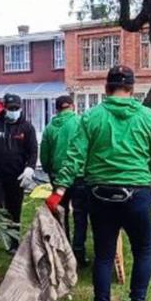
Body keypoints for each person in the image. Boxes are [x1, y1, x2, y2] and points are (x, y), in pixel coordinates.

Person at [45, 66, 151, 301]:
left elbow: (74, 156)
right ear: (133, 88)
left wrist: (59, 190)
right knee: (143, 251)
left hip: (99, 196)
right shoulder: (148, 117)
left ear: (106, 88)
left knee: (103, 256)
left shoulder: (90, 117)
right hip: (136, 196)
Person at [0, 94, 37, 259]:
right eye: (10, 108)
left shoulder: (27, 128)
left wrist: (30, 169)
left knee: (14, 209)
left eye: (16, 108)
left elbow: (33, 151)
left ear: (20, 108)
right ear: (4, 108)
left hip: (17, 176)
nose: (13, 111)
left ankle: (13, 242)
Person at [39, 95, 89, 264]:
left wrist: (49, 170)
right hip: (80, 176)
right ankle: (79, 252)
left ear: (57, 109)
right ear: (73, 107)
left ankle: (63, 251)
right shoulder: (81, 123)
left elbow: (44, 155)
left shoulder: (49, 128)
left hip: (57, 177)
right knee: (80, 214)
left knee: (61, 213)